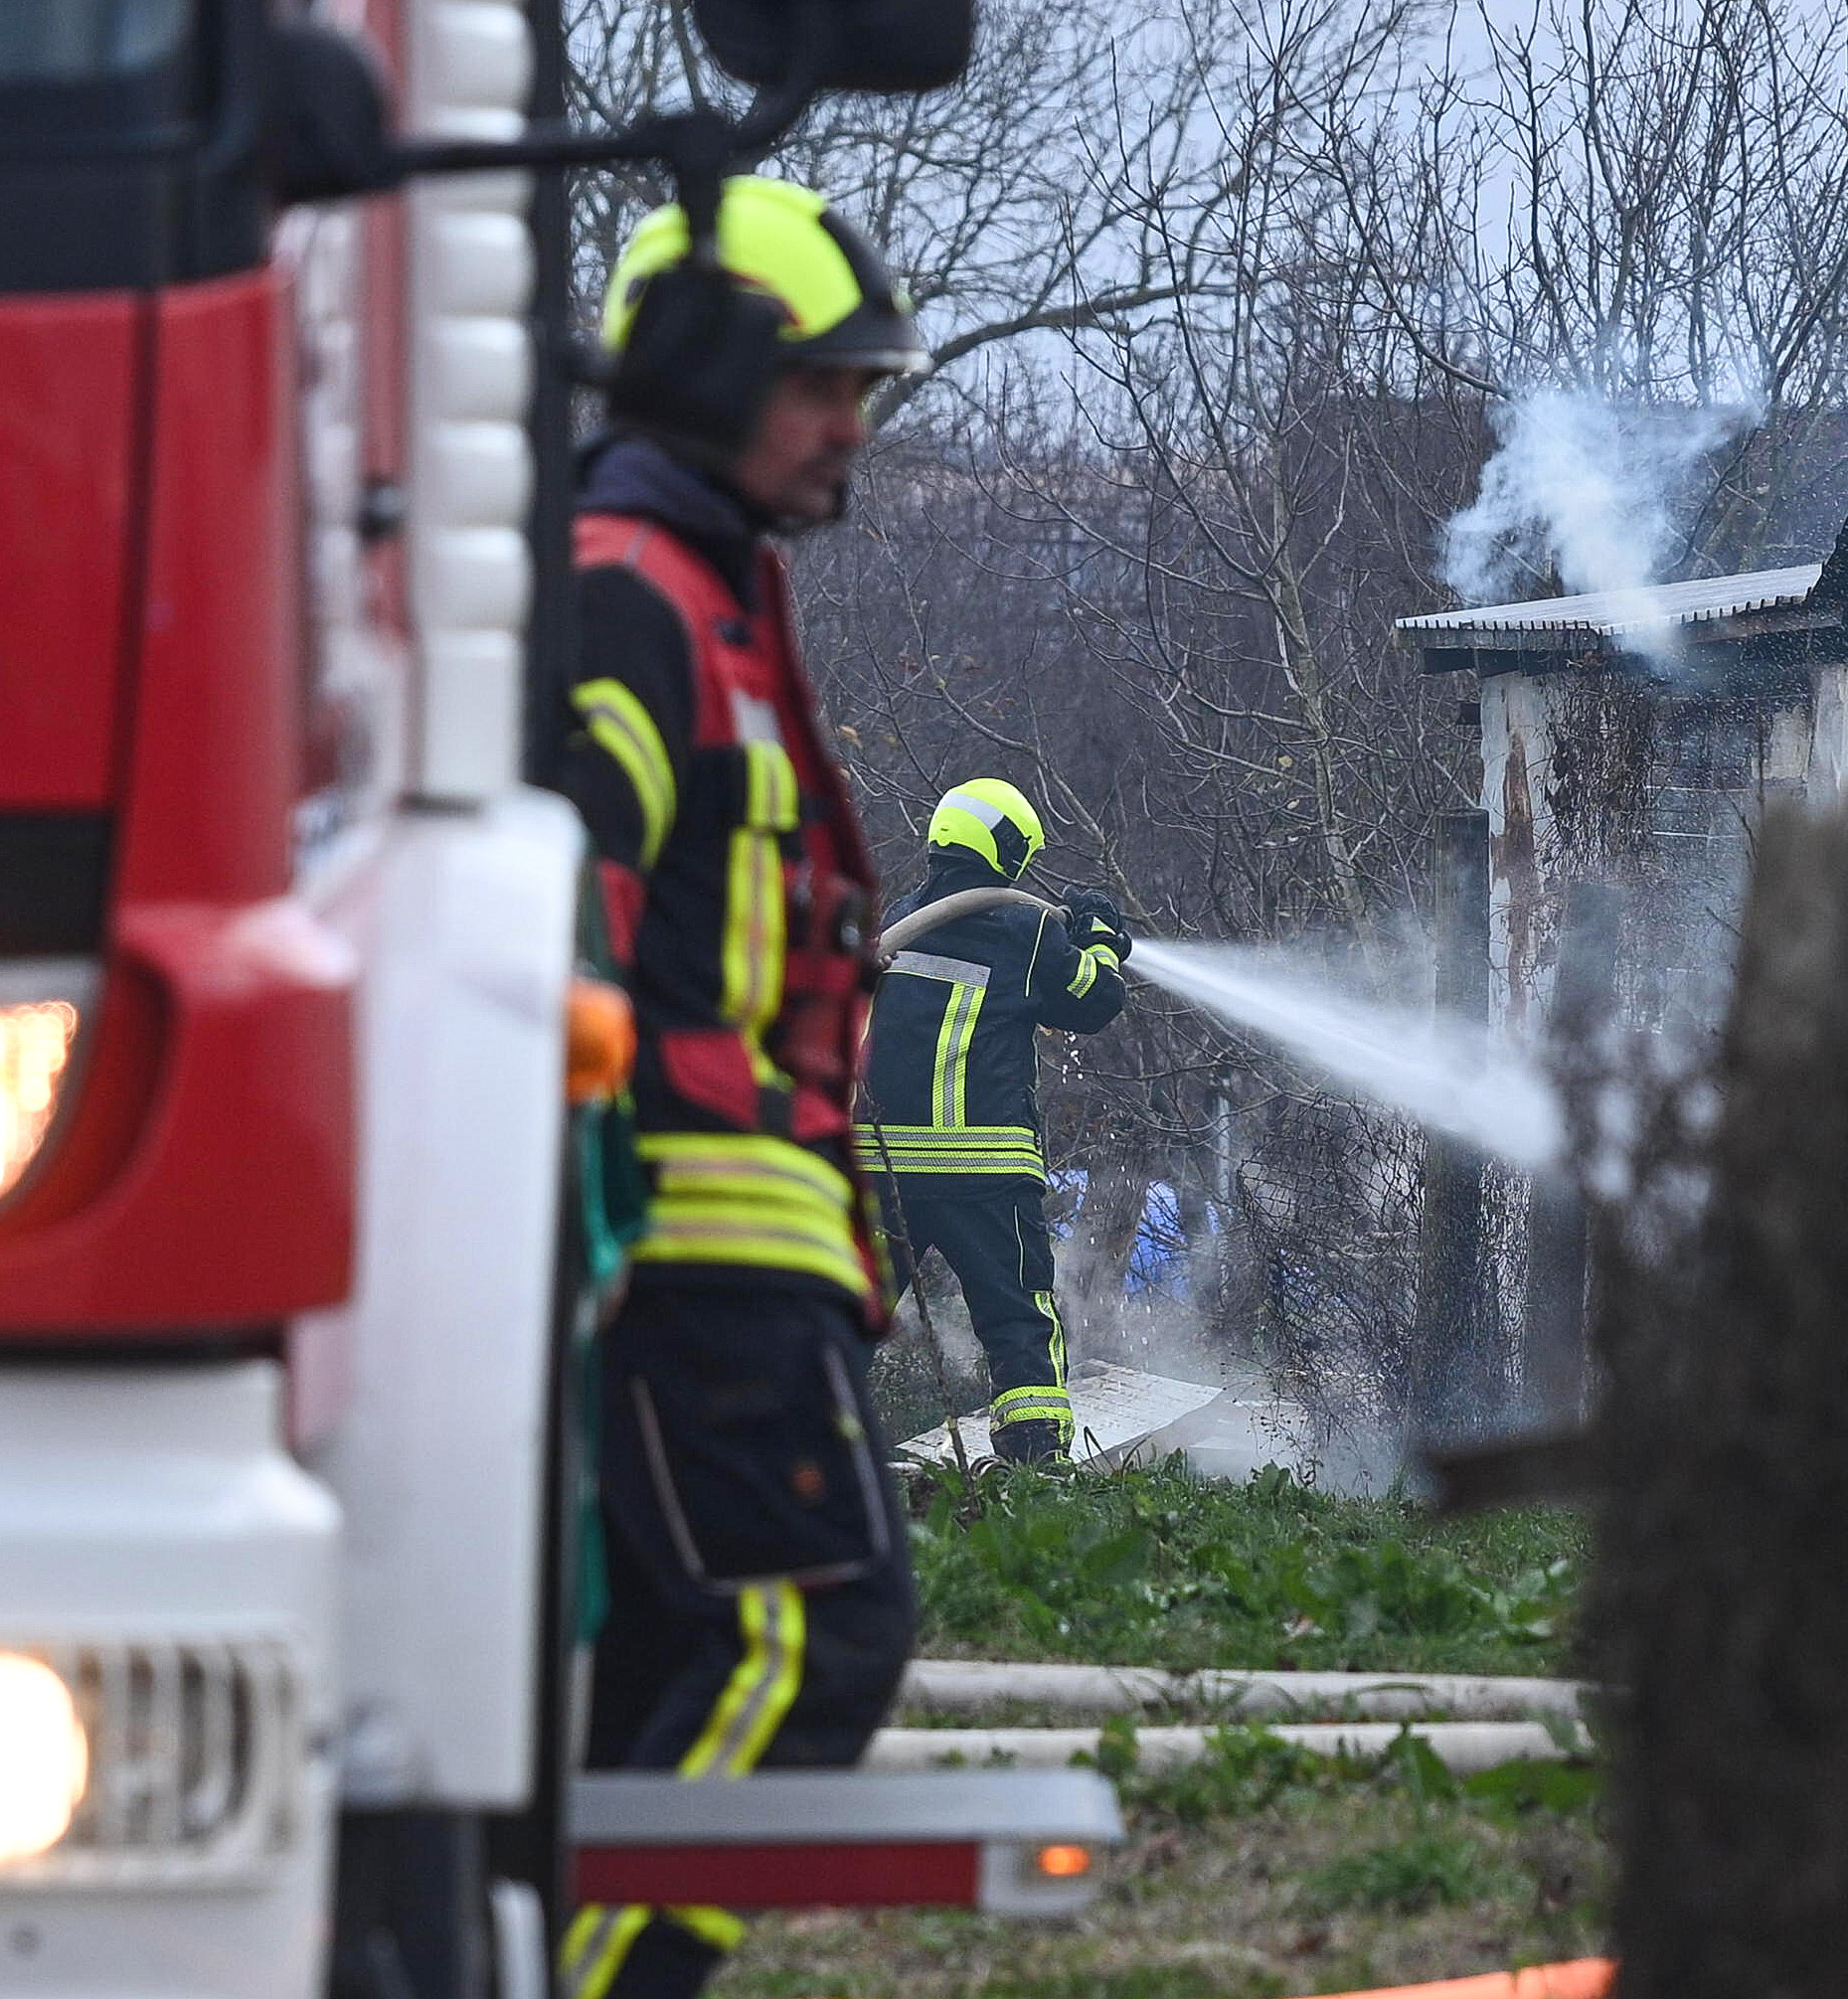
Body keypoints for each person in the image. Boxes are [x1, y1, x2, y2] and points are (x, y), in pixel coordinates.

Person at [546, 174, 926, 1999]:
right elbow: (562, 933)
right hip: (687, 1254)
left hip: (741, 1246)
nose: (851, 422)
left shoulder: (707, 596)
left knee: (664, 1681)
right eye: (818, 381)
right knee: (812, 1631)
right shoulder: (626, 596)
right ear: (702, 371)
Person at [857, 778, 1132, 1464]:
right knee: (1016, 1316)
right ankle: (1035, 1458)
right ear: (1008, 850)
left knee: (848, 1312)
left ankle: (808, 1447)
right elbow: (1095, 999)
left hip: (882, 1170)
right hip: (981, 1171)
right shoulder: (1027, 931)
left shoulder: (897, 922)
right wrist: (1099, 935)